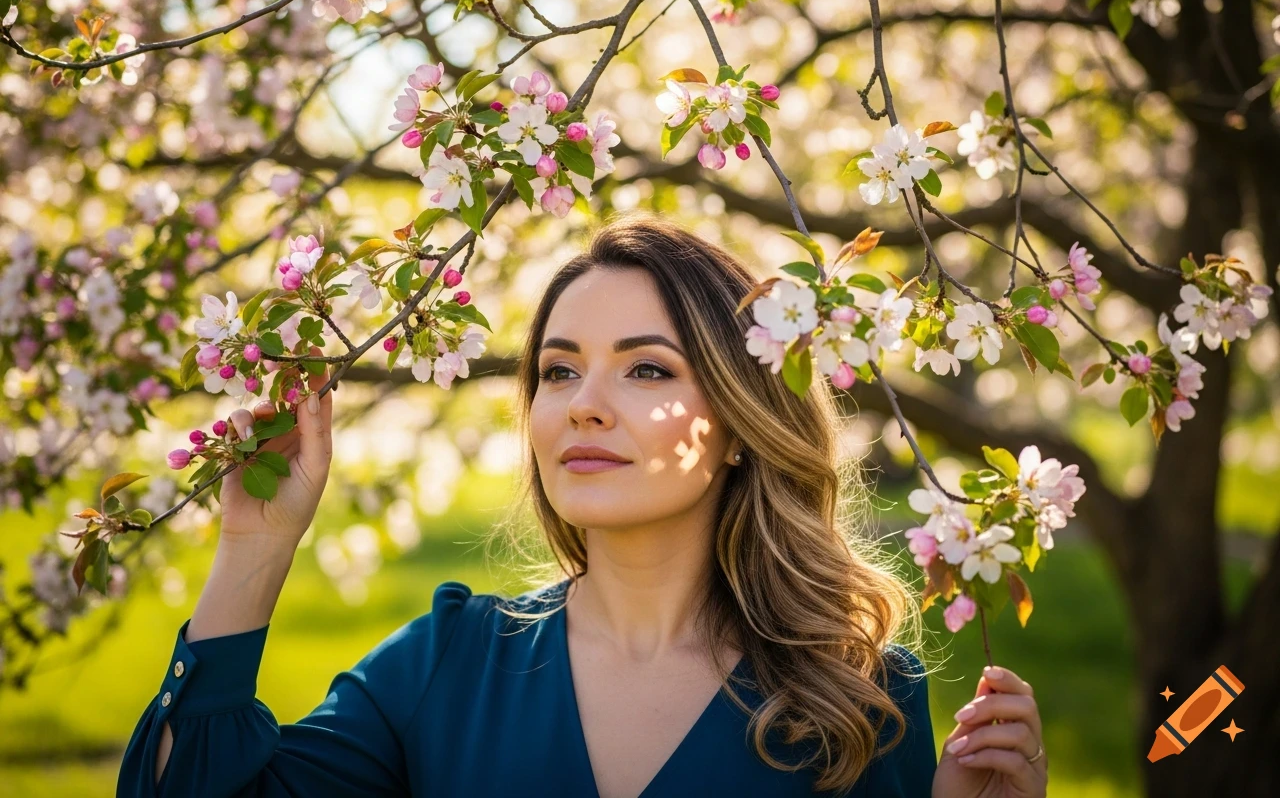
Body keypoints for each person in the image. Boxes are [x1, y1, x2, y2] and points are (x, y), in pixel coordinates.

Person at [118, 215, 1048, 797]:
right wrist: (256, 543)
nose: (583, 403)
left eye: (647, 368)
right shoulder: (444, 667)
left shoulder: (858, 694)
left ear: (737, 420)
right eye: (559, 370)